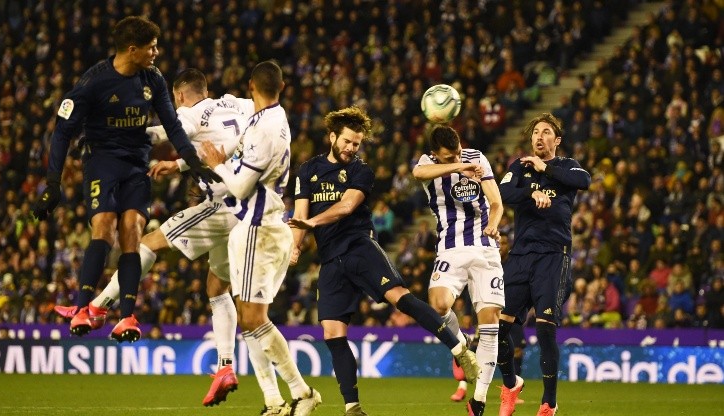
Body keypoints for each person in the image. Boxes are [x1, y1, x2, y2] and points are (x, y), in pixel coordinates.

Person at [52, 68, 257, 407]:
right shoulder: (237, 104)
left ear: (178, 96)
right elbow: (232, 139)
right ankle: (225, 366)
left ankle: (97, 307)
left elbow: (162, 134)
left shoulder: (189, 114)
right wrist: (179, 166)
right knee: (217, 289)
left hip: (223, 204)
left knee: (149, 242)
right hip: (250, 207)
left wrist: (109, 132)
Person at [30, 16, 219, 343]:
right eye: (152, 47)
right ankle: (82, 308)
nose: (157, 52)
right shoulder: (93, 83)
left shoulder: (154, 79)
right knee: (103, 225)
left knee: (132, 230)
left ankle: (128, 316)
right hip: (101, 160)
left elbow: (173, 125)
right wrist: (53, 184)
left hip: (136, 162)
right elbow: (62, 132)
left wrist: (192, 161)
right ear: (132, 50)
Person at [288, 106, 479, 416]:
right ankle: (353, 407)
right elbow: (299, 216)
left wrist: (311, 224)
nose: (352, 148)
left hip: (360, 246)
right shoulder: (307, 170)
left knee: (399, 298)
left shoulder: (361, 170)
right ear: (332, 137)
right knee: (332, 333)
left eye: (357, 143)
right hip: (330, 259)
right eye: (348, 141)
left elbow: (347, 206)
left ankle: (459, 349)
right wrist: (296, 246)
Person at [200, 60, 322, 416]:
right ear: (282, 87)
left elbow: (239, 185)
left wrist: (217, 166)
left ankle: (302, 392)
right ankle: (272, 400)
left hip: (260, 228)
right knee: (247, 316)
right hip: (255, 227)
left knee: (253, 318)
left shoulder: (264, 128)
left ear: (250, 85)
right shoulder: (272, 119)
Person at [496, 113, 590, 416]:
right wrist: (530, 190)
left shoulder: (565, 166)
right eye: (535, 131)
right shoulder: (519, 168)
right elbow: (502, 192)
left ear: (557, 140)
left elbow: (584, 180)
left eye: (546, 132)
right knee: (499, 328)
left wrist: (545, 168)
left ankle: (549, 401)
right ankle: (511, 384)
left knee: (545, 328)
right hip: (521, 255)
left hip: (553, 255)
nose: (539, 136)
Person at [412, 125, 504, 416]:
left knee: (490, 323)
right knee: (438, 306)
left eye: (458, 152)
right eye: (448, 157)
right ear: (436, 156)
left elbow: (496, 202)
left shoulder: (476, 156)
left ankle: (479, 400)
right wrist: (459, 167)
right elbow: (418, 174)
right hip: (450, 249)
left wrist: (494, 224)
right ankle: (462, 343)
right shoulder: (428, 164)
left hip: (485, 248)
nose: (456, 157)